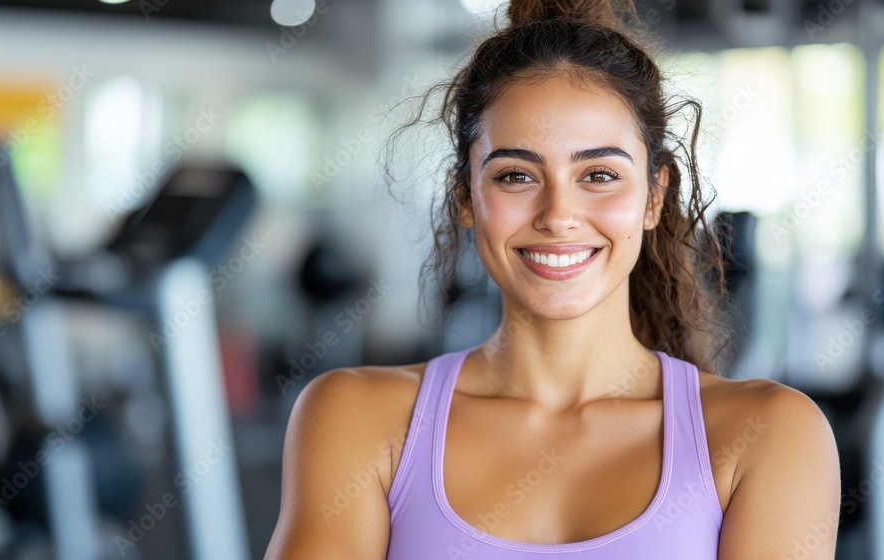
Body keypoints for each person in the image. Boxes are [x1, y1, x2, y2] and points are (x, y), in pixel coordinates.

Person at [265, 0, 841, 558]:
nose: (558, 215)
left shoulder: (770, 435)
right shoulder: (353, 417)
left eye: (598, 174)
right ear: (465, 196)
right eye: (516, 175)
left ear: (654, 195)